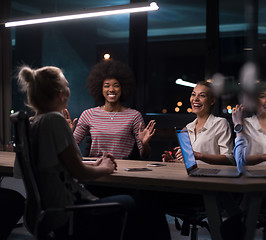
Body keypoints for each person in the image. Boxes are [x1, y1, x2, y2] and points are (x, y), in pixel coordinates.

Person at [17, 65, 170, 240]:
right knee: (149, 206)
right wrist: (105, 167)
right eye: (67, 86)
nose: (70, 90)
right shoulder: (54, 120)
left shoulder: (32, 122)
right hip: (68, 211)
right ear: (60, 93)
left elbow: (58, 163)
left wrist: (93, 163)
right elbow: (79, 172)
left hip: (45, 211)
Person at [66, 59, 155, 160]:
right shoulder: (88, 114)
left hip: (122, 169)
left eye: (116, 86)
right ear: (100, 89)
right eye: (107, 86)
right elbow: (71, 147)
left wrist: (144, 144)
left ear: (123, 88)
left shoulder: (134, 116)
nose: (111, 89)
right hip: (96, 169)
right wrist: (67, 133)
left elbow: (145, 155)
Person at [162, 80, 235, 165]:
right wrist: (173, 162)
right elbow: (189, 163)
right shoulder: (187, 128)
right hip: (192, 177)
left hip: (213, 177)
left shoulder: (221, 123)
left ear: (212, 101)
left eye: (202, 96)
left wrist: (199, 155)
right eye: (193, 94)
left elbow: (230, 159)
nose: (195, 99)